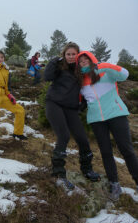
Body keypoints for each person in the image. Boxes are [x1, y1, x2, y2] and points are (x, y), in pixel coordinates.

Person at [75, 51, 138, 201]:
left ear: (92, 60)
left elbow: (124, 74)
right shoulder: (80, 80)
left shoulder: (105, 72)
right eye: (80, 61)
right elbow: (79, 100)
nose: (83, 63)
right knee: (105, 152)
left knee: (126, 149)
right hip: (96, 119)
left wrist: (106, 66)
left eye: (86, 60)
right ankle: (114, 184)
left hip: (116, 113)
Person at [44, 42, 100, 190]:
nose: (70, 57)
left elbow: (89, 86)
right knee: (64, 135)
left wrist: (83, 105)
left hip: (71, 108)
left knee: (82, 137)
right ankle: (58, 174)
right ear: (64, 54)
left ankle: (87, 169)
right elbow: (47, 77)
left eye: (73, 54)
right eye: (68, 54)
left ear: (77, 55)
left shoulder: (81, 70)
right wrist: (52, 62)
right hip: (54, 103)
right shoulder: (58, 66)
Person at [0, 50, 27, 155]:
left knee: (20, 110)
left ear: (4, 58)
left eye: (2, 57)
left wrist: (9, 95)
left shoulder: (6, 70)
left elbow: (8, 86)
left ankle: (18, 133)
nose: (0, 59)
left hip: (4, 95)